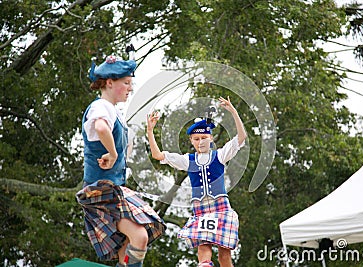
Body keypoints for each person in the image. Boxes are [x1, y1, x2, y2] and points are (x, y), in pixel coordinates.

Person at [76, 54, 166, 267]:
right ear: (109, 83)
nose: (129, 88)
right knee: (140, 236)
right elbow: (100, 127)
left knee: (127, 246)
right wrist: (114, 153)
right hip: (101, 189)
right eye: (126, 83)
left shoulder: (114, 112)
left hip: (112, 187)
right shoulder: (101, 106)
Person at [147, 96, 247, 267]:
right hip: (200, 209)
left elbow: (241, 137)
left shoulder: (220, 155)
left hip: (220, 207)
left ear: (211, 139)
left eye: (203, 138)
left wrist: (234, 112)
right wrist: (150, 131)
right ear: (191, 141)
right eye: (196, 139)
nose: (200, 142)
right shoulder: (188, 160)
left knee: (224, 255)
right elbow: (158, 156)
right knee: (203, 249)